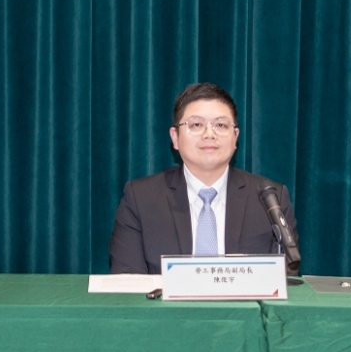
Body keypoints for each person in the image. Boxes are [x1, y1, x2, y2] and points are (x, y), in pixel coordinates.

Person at [109, 83, 297, 275]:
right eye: (196, 125)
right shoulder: (141, 199)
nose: (209, 134)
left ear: (235, 137)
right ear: (175, 137)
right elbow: (128, 282)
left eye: (220, 125)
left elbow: (287, 279)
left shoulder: (270, 199)